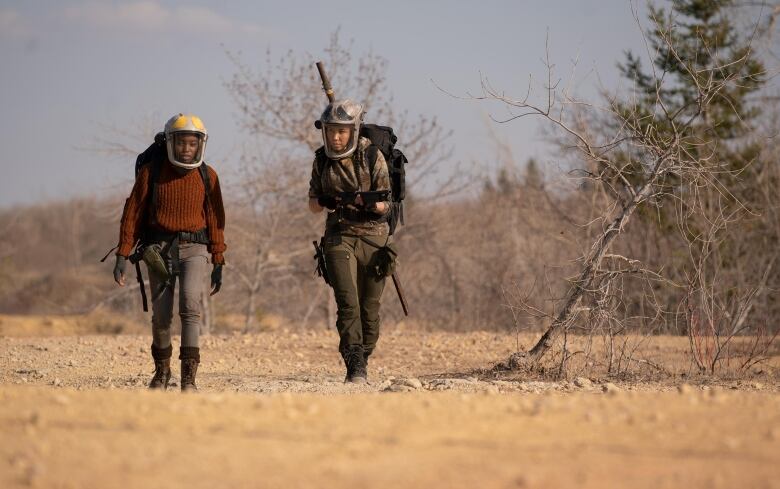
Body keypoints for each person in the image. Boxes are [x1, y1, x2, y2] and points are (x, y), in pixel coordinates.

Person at [113, 113, 226, 392]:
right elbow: (132, 214)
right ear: (170, 143)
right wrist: (121, 255)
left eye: (192, 144)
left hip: (194, 248)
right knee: (162, 316)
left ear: (200, 144)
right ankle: (162, 373)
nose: (186, 149)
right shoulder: (150, 174)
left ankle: (189, 379)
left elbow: (216, 219)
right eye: (181, 143)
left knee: (190, 306)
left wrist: (218, 259)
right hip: (158, 250)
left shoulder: (207, 176)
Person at [308, 99, 392, 383]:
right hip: (338, 237)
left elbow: (386, 204)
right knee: (348, 304)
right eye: (331, 130)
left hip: (374, 239)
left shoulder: (372, 156)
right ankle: (354, 363)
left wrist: (368, 205)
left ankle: (363, 354)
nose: (335, 136)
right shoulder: (321, 159)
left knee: (370, 308)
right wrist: (325, 201)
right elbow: (312, 204)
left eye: (341, 131)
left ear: (353, 131)